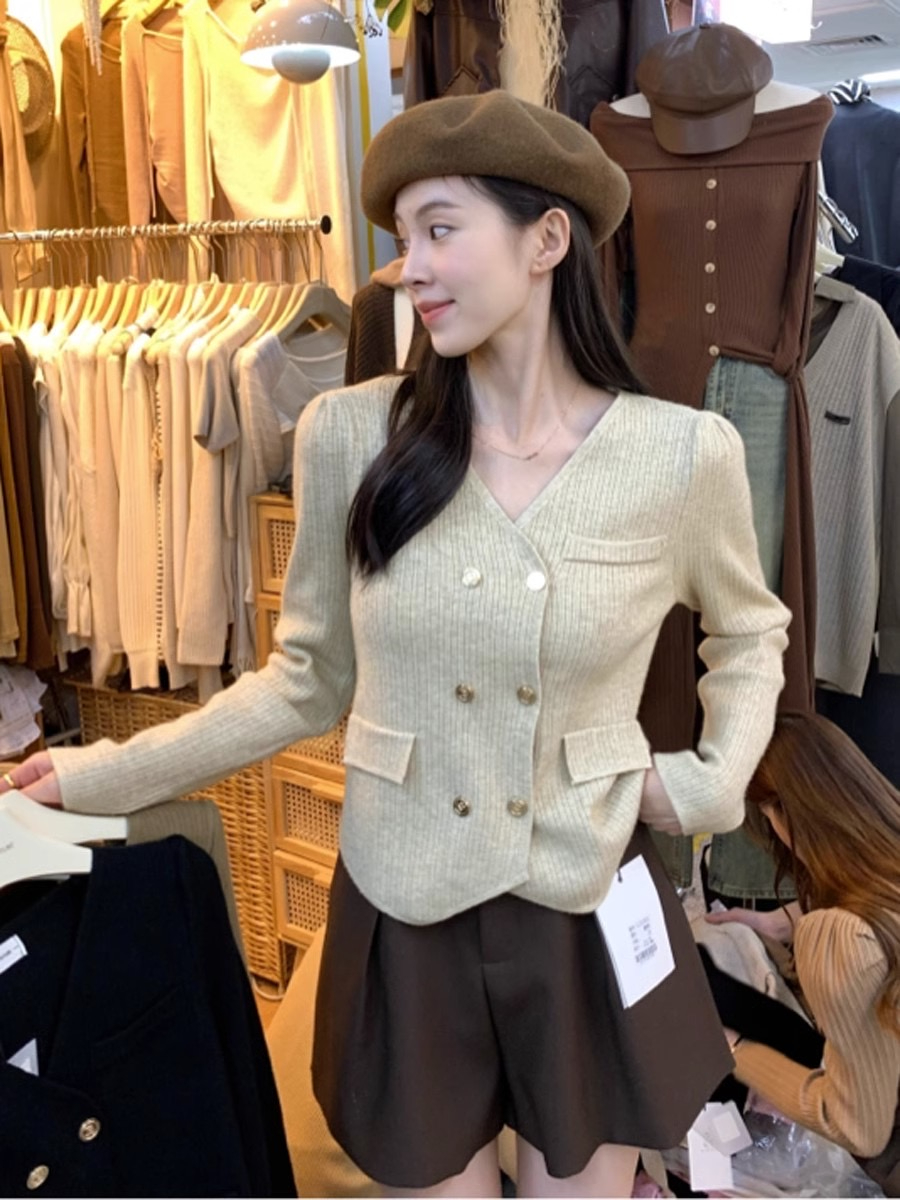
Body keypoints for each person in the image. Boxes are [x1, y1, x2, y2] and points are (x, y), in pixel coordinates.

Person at [0, 91, 790, 1198]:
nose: (407, 269)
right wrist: (97, 774)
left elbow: (750, 633)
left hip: (582, 887)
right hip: (405, 896)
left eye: (440, 230)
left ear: (546, 240)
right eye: (403, 237)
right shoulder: (353, 436)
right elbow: (302, 682)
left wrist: (704, 784)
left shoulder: (679, 456)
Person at [708, 711, 900, 1196]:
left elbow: (858, 1127)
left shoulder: (842, 938)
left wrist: (735, 1051)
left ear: (779, 811)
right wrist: (781, 922)